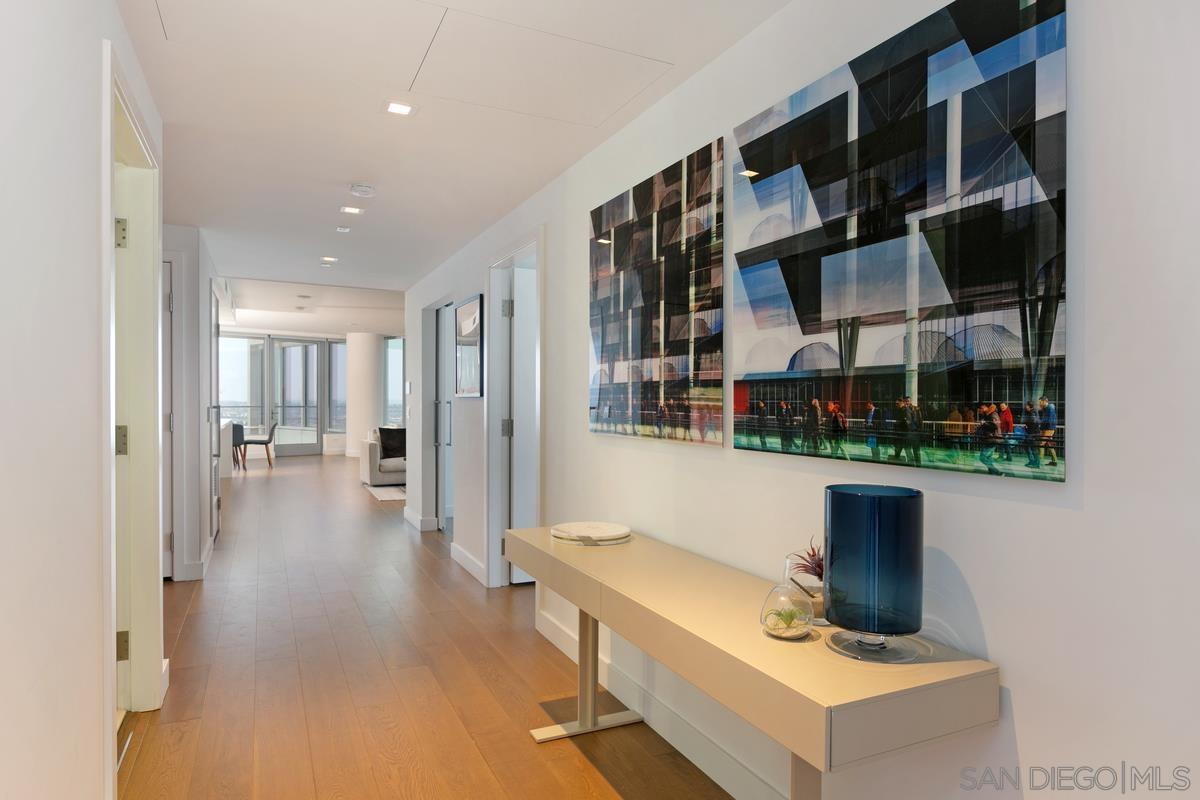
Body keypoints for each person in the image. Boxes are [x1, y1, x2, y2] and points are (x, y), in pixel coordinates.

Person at [976, 402, 1004, 476]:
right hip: (989, 439)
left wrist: (984, 423)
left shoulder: (993, 414)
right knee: (988, 457)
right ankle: (992, 472)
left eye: (980, 409)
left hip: (992, 439)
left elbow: (995, 425)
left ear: (984, 407)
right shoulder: (987, 414)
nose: (979, 411)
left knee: (982, 457)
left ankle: (997, 472)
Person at [1038, 396, 1059, 467]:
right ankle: (1054, 461)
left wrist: (1047, 430)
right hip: (1046, 428)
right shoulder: (1045, 409)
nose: (1039, 404)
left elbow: (1050, 420)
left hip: (1049, 429)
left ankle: (1040, 461)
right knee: (1049, 444)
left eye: (1040, 402)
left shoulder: (1050, 408)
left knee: (1041, 443)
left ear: (1044, 401)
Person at [1020, 401, 1041, 468]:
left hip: (1033, 434)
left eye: (1027, 405)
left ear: (1030, 406)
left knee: (1034, 448)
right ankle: (1032, 461)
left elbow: (1033, 422)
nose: (1025, 407)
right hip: (1030, 433)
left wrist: (1026, 425)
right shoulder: (1029, 412)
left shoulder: (1033, 412)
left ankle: (1036, 463)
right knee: (1026, 446)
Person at [905, 397, 923, 466]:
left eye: (908, 401)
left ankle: (918, 465)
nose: (907, 402)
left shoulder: (915, 408)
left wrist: (920, 430)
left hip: (914, 432)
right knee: (908, 449)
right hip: (908, 432)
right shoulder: (905, 409)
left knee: (916, 450)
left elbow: (920, 420)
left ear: (910, 401)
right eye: (906, 401)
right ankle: (912, 464)